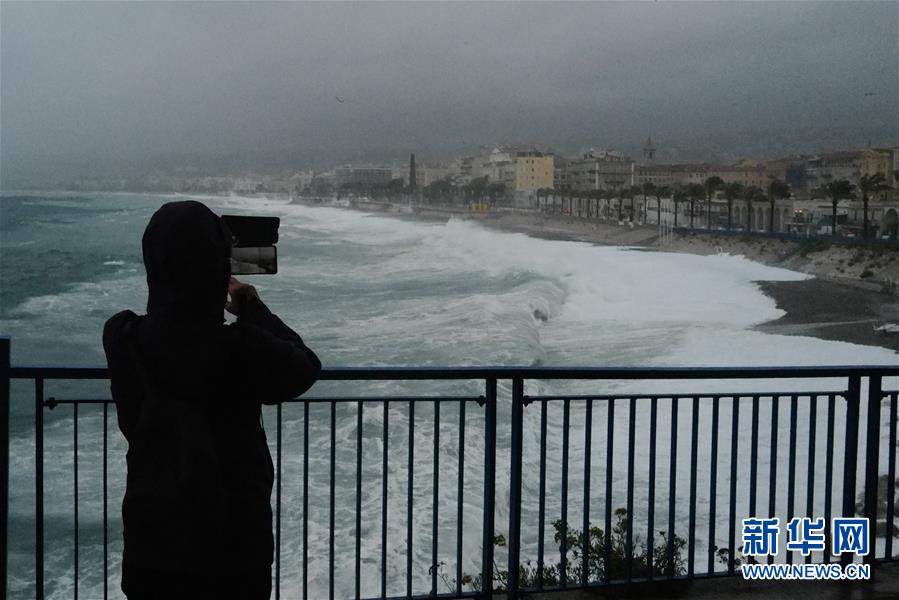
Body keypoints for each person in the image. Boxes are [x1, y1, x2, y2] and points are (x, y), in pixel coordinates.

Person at [103, 201, 320, 599]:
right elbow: (303, 366)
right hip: (235, 549)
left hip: (152, 544)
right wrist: (251, 307)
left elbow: (169, 326)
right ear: (217, 268)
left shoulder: (122, 337)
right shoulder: (239, 347)